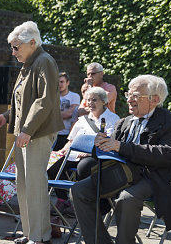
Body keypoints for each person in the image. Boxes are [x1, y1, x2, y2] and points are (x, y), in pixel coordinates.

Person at [71, 75, 171, 244]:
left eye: (136, 95)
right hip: (120, 174)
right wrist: (101, 144)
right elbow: (114, 150)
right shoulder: (124, 122)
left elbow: (167, 155)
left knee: (127, 198)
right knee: (79, 190)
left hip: (153, 176)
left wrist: (122, 147)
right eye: (128, 93)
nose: (129, 99)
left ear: (155, 99)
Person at [0, 21, 63, 244]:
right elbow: (23, 103)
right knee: (23, 184)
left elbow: (44, 101)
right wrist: (5, 116)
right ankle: (31, 232)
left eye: (16, 47)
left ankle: (41, 236)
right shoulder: (30, 62)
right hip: (25, 132)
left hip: (37, 133)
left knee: (35, 183)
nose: (13, 52)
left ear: (32, 43)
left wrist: (28, 129)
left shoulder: (44, 61)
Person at [49, 87, 120, 216]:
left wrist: (88, 152)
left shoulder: (112, 119)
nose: (91, 103)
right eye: (88, 100)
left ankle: (84, 202)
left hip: (96, 156)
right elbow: (71, 141)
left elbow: (109, 141)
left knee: (84, 166)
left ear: (104, 101)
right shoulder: (82, 120)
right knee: (52, 168)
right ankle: (64, 199)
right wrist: (62, 150)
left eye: (94, 100)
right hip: (75, 155)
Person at [54, 72, 80, 151]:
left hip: (67, 134)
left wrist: (52, 115)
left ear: (67, 83)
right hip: (53, 134)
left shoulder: (74, 96)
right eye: (57, 82)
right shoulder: (52, 97)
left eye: (62, 82)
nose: (59, 84)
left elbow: (70, 113)